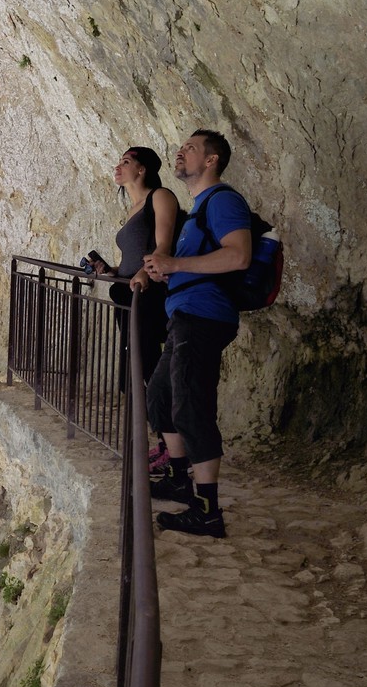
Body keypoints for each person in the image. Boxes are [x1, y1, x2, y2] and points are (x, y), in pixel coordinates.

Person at [142, 129, 253, 538]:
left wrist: (175, 266)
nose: (180, 151)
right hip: (184, 316)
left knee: (191, 405)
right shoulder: (199, 210)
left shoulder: (223, 201)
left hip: (205, 317)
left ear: (211, 161)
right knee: (160, 397)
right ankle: (177, 478)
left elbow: (238, 255)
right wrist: (164, 267)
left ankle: (207, 510)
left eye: (190, 148)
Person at [94, 146, 177, 390]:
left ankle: (163, 418)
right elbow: (133, 257)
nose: (118, 167)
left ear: (142, 169)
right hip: (129, 289)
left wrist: (144, 271)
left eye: (126, 162)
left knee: (146, 358)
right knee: (136, 360)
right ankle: (151, 416)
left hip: (148, 291)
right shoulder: (133, 209)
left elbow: (164, 244)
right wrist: (111, 270)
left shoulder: (160, 196)